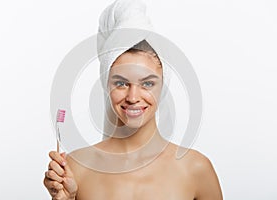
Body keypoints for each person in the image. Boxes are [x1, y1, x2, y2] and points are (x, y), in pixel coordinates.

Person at [43, 1, 223, 199]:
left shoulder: (196, 169)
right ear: (106, 85)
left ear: (163, 86)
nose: (133, 97)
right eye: (121, 83)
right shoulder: (76, 168)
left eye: (147, 84)